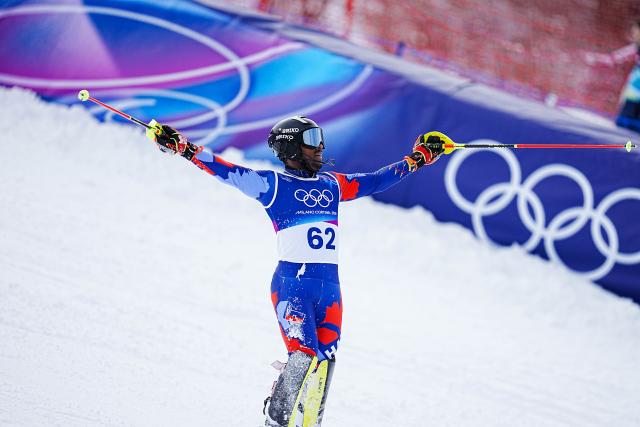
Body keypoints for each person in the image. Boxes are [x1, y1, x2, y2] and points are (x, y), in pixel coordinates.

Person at [146, 116, 449, 426]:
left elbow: (375, 180)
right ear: (291, 146)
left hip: (330, 292)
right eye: (312, 139)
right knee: (303, 355)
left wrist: (418, 159)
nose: (321, 146)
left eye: (320, 137)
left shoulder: (332, 185)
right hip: (293, 286)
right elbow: (226, 171)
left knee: (323, 366)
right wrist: (184, 148)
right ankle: (275, 419)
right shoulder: (272, 186)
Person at [616, 20, 640, 132]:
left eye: (636, 32)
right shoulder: (636, 48)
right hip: (632, 97)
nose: (633, 34)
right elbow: (616, 57)